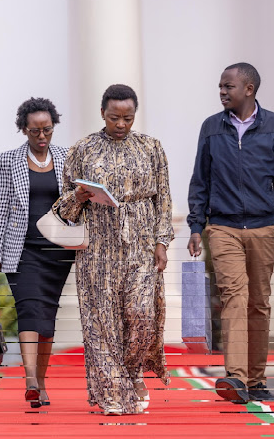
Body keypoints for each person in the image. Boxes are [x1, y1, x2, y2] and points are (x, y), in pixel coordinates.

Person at [186, 62, 274, 403]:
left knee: (258, 304)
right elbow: (200, 180)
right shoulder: (211, 128)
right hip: (223, 226)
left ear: (249, 89)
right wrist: (196, 226)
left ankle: (256, 381)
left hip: (262, 227)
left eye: (227, 86)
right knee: (234, 297)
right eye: (220, 86)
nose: (221, 91)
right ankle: (236, 378)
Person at [57, 84, 174, 416]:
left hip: (141, 247)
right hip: (97, 250)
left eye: (128, 117)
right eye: (114, 117)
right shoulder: (82, 150)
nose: (121, 124)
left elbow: (163, 200)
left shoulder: (151, 148)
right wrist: (77, 196)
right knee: (102, 323)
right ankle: (113, 393)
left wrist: (162, 243)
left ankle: (133, 372)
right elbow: (63, 210)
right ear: (102, 113)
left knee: (142, 317)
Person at [0, 97, 75, 408]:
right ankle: (30, 382)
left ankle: (42, 382)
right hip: (21, 249)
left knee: (47, 317)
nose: (42, 137)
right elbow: (1, 209)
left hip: (58, 252)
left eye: (47, 131)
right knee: (28, 310)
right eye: (35, 131)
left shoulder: (68, 157)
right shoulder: (8, 160)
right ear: (23, 129)